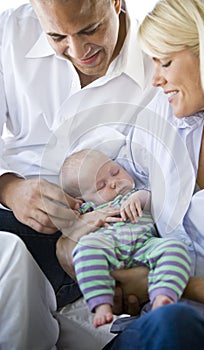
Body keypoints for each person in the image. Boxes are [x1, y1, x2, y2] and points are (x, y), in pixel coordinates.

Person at [0, 0, 156, 315]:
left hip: (103, 236)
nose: (77, 49)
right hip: (9, 217)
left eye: (90, 29)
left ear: (116, 3)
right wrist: (9, 188)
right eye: (57, 37)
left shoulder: (159, 64)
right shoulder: (9, 33)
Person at [102, 0, 204, 348]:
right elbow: (122, 177)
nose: (156, 79)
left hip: (200, 332)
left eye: (166, 62)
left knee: (175, 323)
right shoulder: (168, 114)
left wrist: (163, 282)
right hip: (147, 330)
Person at [59, 148, 191, 327]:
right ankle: (101, 304)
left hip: (145, 245)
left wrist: (137, 198)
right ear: (83, 200)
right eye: (101, 186)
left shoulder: (135, 193)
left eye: (115, 172)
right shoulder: (90, 210)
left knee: (174, 248)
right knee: (86, 248)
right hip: (109, 247)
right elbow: (68, 223)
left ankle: (164, 295)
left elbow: (149, 196)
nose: (114, 183)